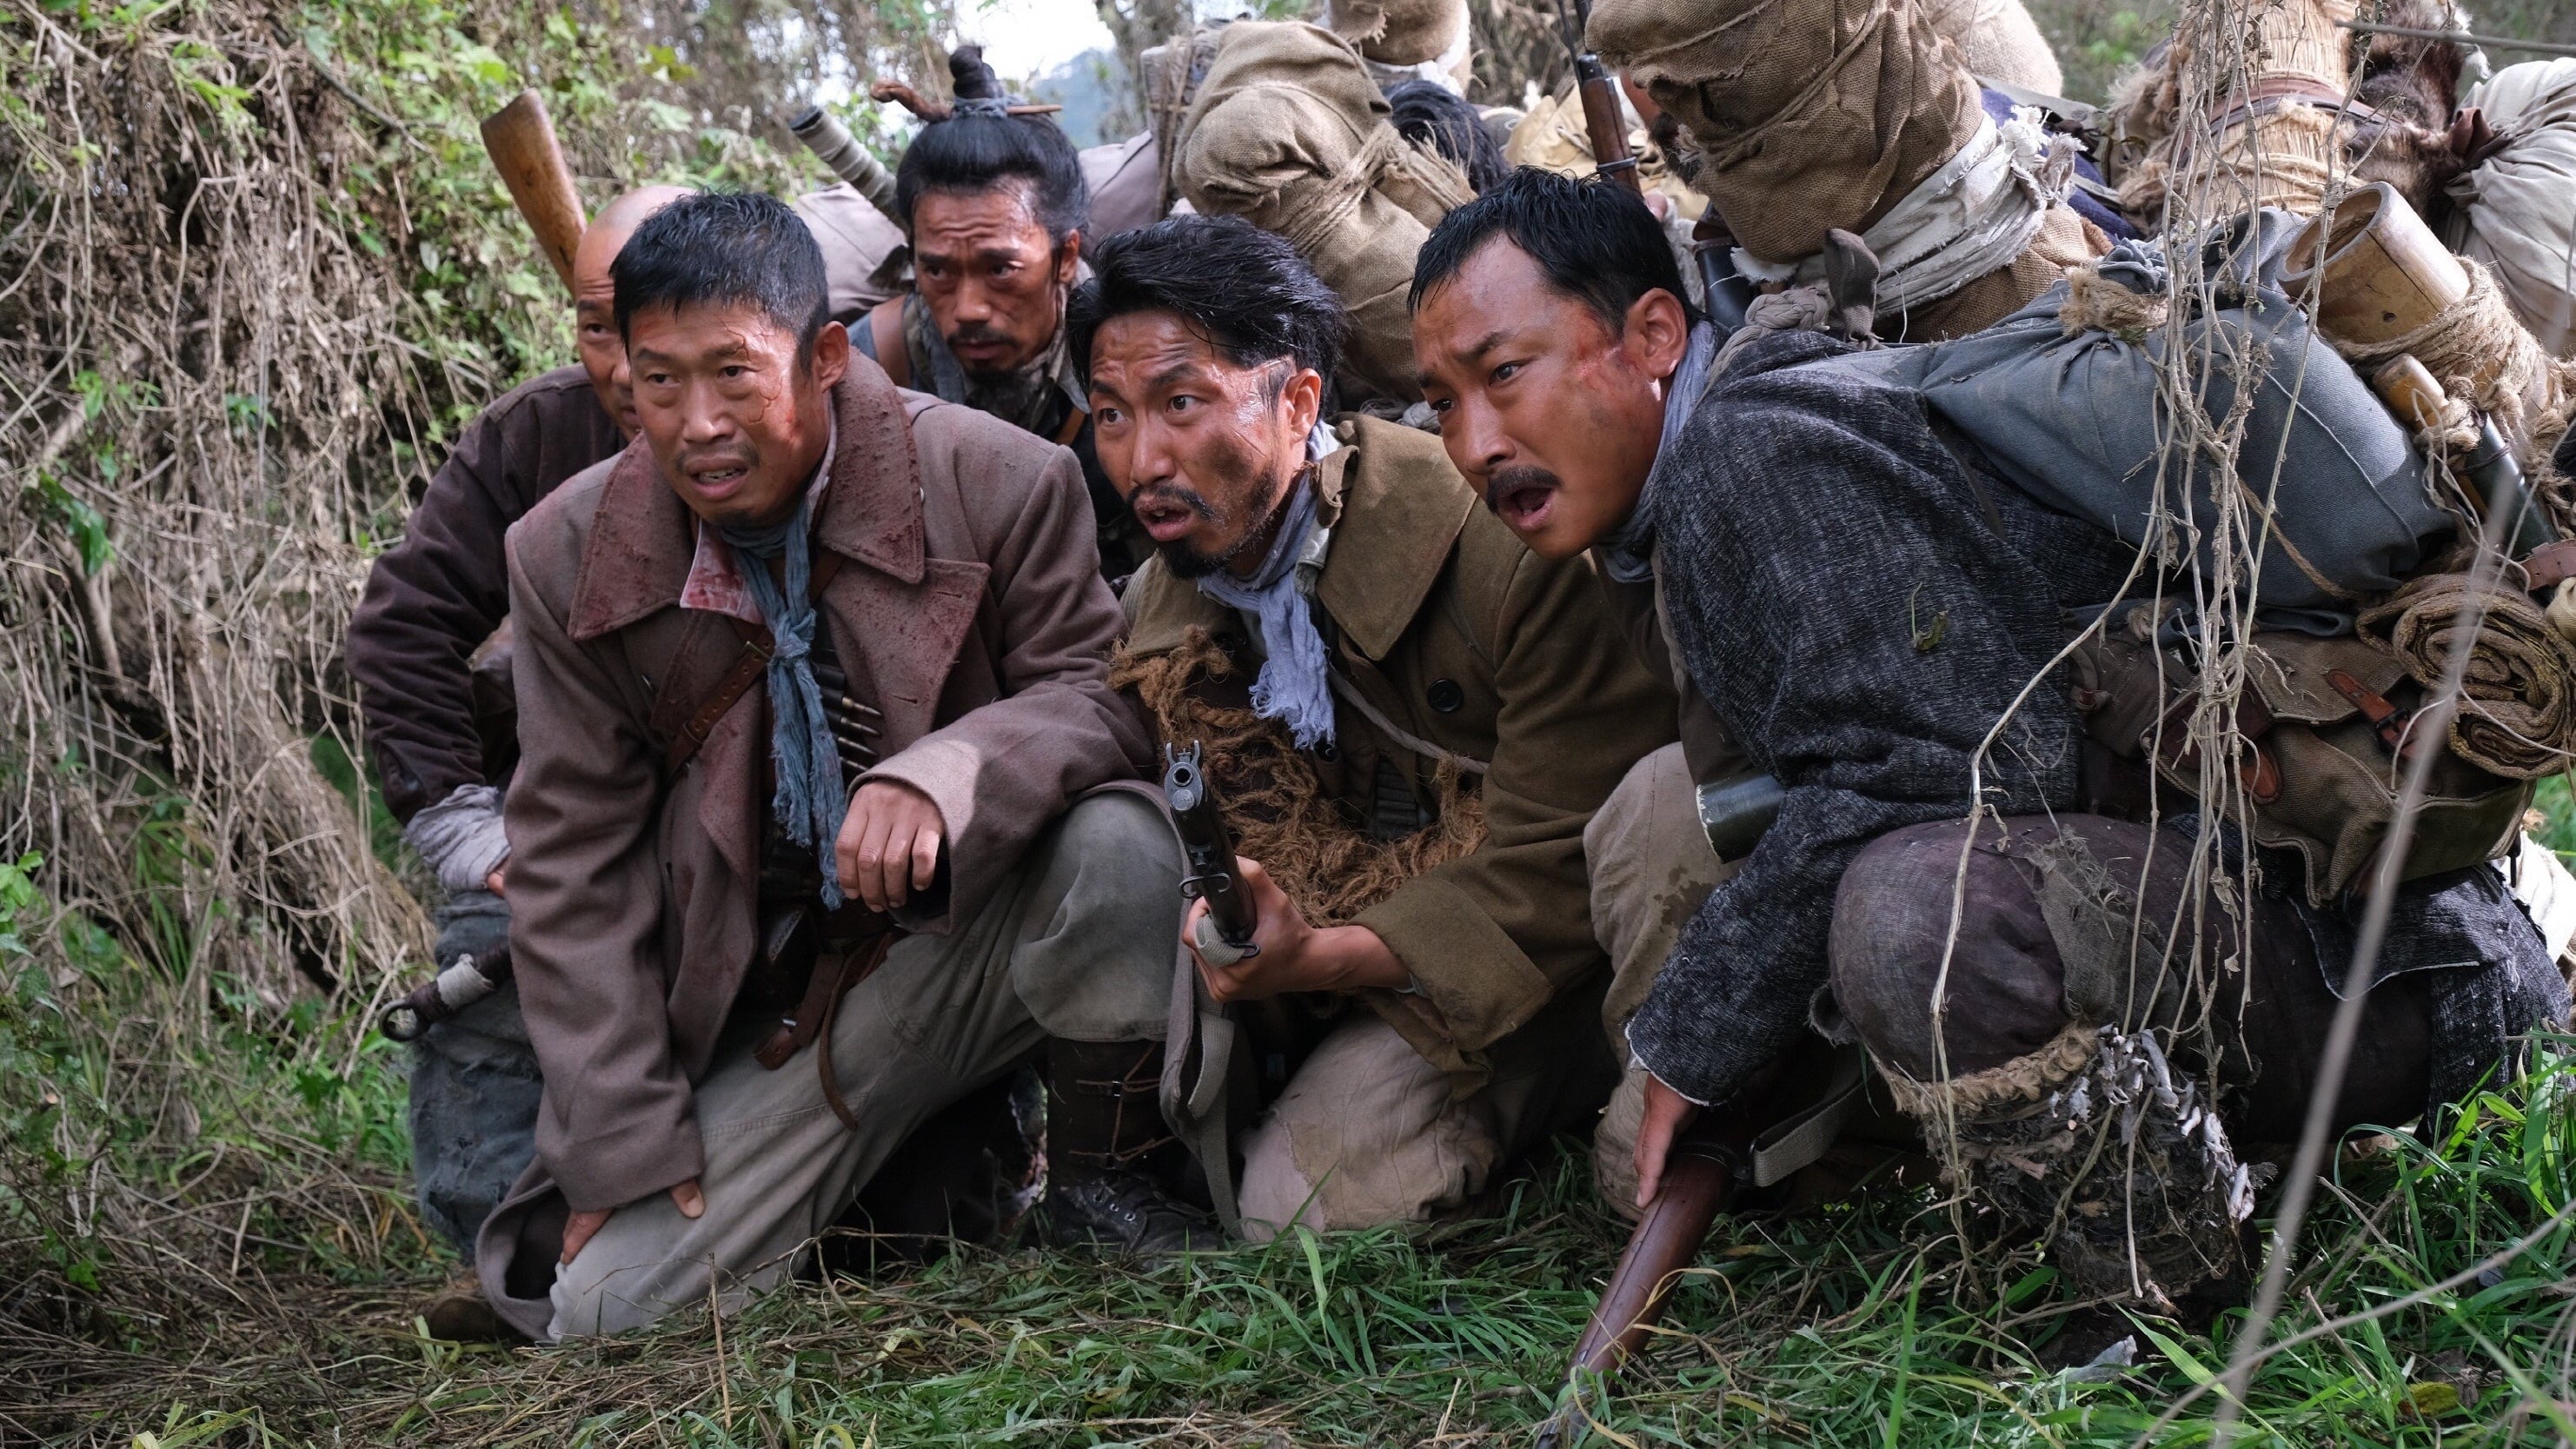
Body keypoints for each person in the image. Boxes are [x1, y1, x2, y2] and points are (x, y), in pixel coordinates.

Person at [1410, 169, 2570, 1309]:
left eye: (1503, 372)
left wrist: (1689, 1040)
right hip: (2336, 945)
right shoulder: (1721, 465)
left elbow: (1947, 767)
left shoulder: (1746, 456)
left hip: (2392, 977)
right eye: (1444, 401)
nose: (1474, 440)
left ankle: (2168, 1291)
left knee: (1918, 913)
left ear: (1654, 335)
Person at [475, 191, 1201, 1341]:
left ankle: (1103, 1186)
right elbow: (573, 862)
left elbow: (1107, 704)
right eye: (659, 381)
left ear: (822, 358)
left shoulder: (997, 477)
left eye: (733, 374)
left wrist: (952, 769)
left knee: (1121, 842)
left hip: (974, 938)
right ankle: (916, 1171)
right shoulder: (562, 550)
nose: (696, 423)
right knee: (611, 1312)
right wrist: (620, 1139)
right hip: (774, 1002)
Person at [1074, 215, 1676, 1238]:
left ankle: (1623, 1086)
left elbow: (1565, 857)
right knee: (1294, 1208)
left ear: (1299, 401)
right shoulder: (1166, 611)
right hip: (1389, 971)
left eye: (1181, 402)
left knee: (1307, 1203)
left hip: (1560, 946)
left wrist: (1327, 956)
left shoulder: (1507, 544)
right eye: (1111, 414)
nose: (1143, 458)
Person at [347, 184, 687, 1333]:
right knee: (500, 954)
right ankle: (501, 1252)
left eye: (654, 325)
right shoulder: (534, 436)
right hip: (557, 811)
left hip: (750, 819)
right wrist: (468, 827)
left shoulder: (796, 427)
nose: (626, 365)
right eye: (597, 326)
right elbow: (405, 623)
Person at [855, 47, 1145, 578]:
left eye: (1001, 269)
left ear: (1065, 258)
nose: (968, 310)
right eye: (938, 271)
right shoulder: (869, 368)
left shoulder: (1134, 363)